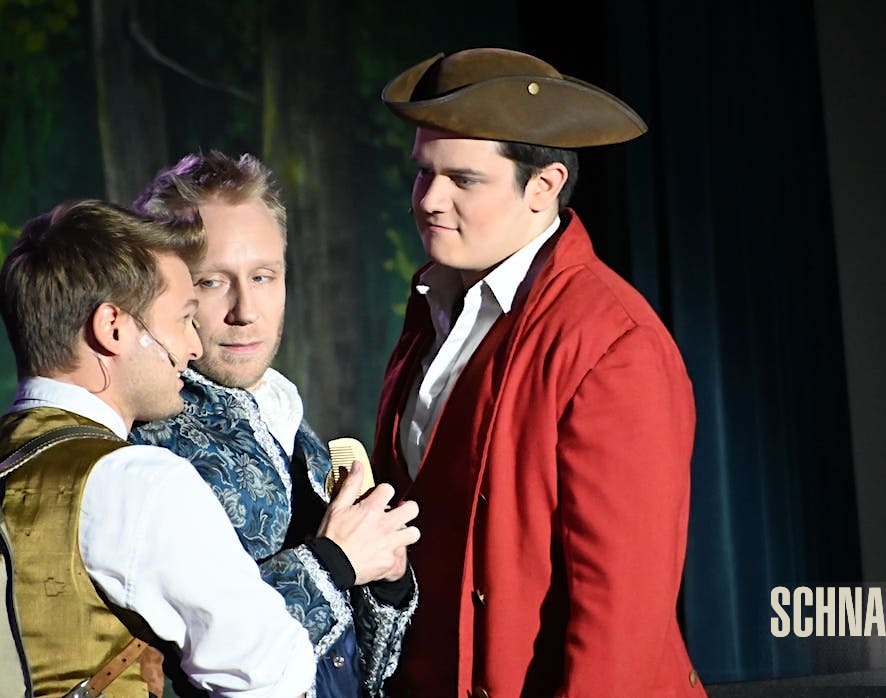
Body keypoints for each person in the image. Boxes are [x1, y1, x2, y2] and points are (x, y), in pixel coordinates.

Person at [373, 48, 706, 697]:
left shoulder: (613, 343)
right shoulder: (433, 307)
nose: (430, 199)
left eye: (463, 179)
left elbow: (622, 615)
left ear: (544, 186)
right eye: (423, 173)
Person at [0, 200, 319, 696]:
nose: (194, 347)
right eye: (183, 319)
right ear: (112, 328)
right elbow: (271, 676)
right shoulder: (139, 482)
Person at [130, 152, 419, 698]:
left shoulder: (291, 422)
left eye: (263, 276)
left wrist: (386, 574)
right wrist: (333, 564)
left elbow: (361, 670)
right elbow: (204, 653)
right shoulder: (145, 441)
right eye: (212, 282)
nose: (246, 310)